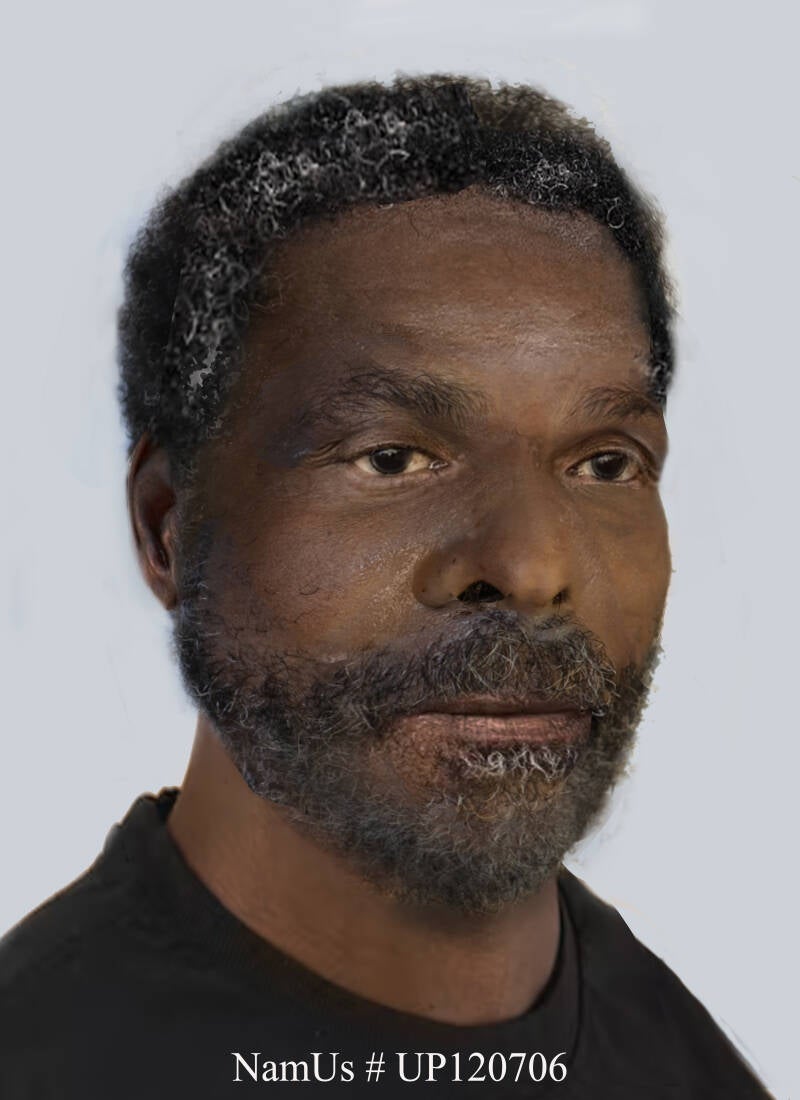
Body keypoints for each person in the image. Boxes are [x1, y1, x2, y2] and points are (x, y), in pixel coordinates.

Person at [0, 75, 771, 1098]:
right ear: (167, 526)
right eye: (393, 458)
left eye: (603, 463)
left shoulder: (683, 1061)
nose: (533, 567)